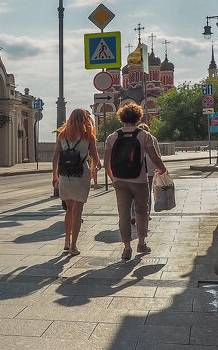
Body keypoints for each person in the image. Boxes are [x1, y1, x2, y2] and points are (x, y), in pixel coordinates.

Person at [104, 102, 168, 261]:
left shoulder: (112, 137)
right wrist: (163, 170)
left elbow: (106, 163)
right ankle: (141, 243)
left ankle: (127, 247)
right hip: (139, 181)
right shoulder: (144, 135)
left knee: (123, 214)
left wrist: (114, 179)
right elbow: (154, 157)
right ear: (138, 117)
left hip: (120, 181)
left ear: (121, 117)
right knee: (142, 211)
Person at [52, 108, 100, 256]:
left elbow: (55, 158)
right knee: (78, 212)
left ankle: (66, 241)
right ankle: (74, 246)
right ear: (85, 119)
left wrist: (55, 176)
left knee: (69, 211)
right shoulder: (88, 135)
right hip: (81, 174)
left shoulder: (62, 135)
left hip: (65, 175)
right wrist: (92, 171)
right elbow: (96, 158)